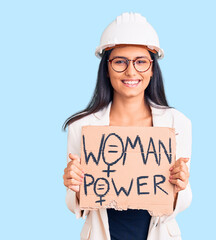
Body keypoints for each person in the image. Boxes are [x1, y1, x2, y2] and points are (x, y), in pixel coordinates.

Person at [62, 12, 192, 240]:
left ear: (152, 69)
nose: (131, 71)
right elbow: (78, 206)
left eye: (141, 62)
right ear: (107, 67)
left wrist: (181, 185)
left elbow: (178, 203)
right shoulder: (81, 126)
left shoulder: (177, 123)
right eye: (120, 61)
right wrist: (75, 184)